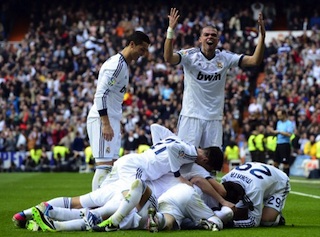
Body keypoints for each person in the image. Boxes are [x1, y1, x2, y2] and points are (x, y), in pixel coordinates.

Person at [12, 124, 223, 230]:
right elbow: (196, 176)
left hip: (127, 164)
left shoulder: (176, 142)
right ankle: (67, 224)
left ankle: (34, 211)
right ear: (205, 162)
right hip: (137, 171)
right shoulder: (190, 158)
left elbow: (156, 129)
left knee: (82, 200)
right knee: (120, 204)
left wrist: (157, 147)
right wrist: (178, 174)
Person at [163, 8, 266, 171]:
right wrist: (170, 31)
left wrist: (262, 36)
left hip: (214, 118)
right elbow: (168, 58)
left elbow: (254, 61)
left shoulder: (224, 58)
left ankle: (209, 196)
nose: (210, 37)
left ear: (218, 40)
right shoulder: (190, 56)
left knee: (211, 164)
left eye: (213, 35)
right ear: (200, 39)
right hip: (191, 115)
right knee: (184, 159)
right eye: (206, 34)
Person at [87, 31, 151, 191]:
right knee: (104, 167)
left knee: (113, 168)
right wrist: (106, 123)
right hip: (103, 119)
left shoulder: (123, 65)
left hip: (112, 119)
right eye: (142, 49)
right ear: (131, 45)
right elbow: (100, 94)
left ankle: (105, 206)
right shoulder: (116, 65)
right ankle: (95, 208)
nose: (143, 54)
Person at [221, 162, 290, 228]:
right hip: (259, 177)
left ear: (239, 198)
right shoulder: (225, 179)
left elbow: (254, 222)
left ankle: (278, 217)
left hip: (279, 183)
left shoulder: (254, 189)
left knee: (266, 221)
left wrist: (233, 224)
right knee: (235, 213)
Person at [267, 109, 294, 176]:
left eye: (280, 115)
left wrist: (279, 132)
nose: (278, 117)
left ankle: (286, 179)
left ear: (284, 115)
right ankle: (276, 178)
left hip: (285, 144)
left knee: (285, 163)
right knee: (275, 162)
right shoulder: (279, 122)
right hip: (278, 143)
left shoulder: (289, 123)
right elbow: (277, 132)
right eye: (278, 116)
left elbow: (289, 134)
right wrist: (272, 131)